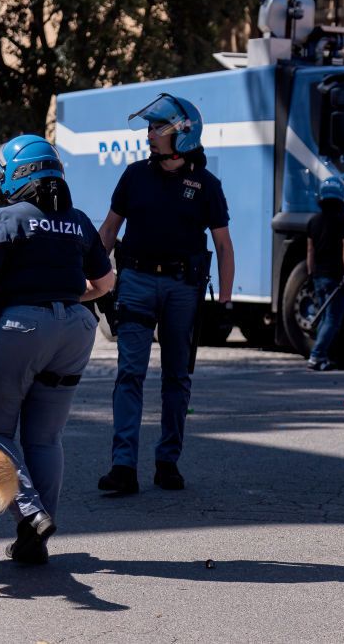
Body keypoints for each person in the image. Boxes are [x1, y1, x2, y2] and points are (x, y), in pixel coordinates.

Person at [0, 134, 115, 563]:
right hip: (74, 330)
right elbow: (105, 284)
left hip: (16, 329)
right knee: (46, 438)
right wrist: (63, 298)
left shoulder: (8, 218)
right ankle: (35, 538)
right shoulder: (78, 221)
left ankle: (29, 514)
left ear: (16, 173)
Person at [96, 93, 234, 495]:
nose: (149, 135)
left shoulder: (207, 186)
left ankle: (167, 462)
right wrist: (90, 282)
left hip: (183, 288)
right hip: (135, 282)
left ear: (183, 135)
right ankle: (123, 466)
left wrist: (225, 304)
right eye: (150, 127)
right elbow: (108, 231)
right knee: (129, 375)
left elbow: (224, 246)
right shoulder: (134, 175)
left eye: (158, 128)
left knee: (177, 378)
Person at [305, 175, 344, 371]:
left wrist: (311, 273)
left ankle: (322, 356)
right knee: (332, 319)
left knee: (324, 317)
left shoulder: (313, 221)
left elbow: (309, 250)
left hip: (318, 276)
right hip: (337, 277)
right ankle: (316, 355)